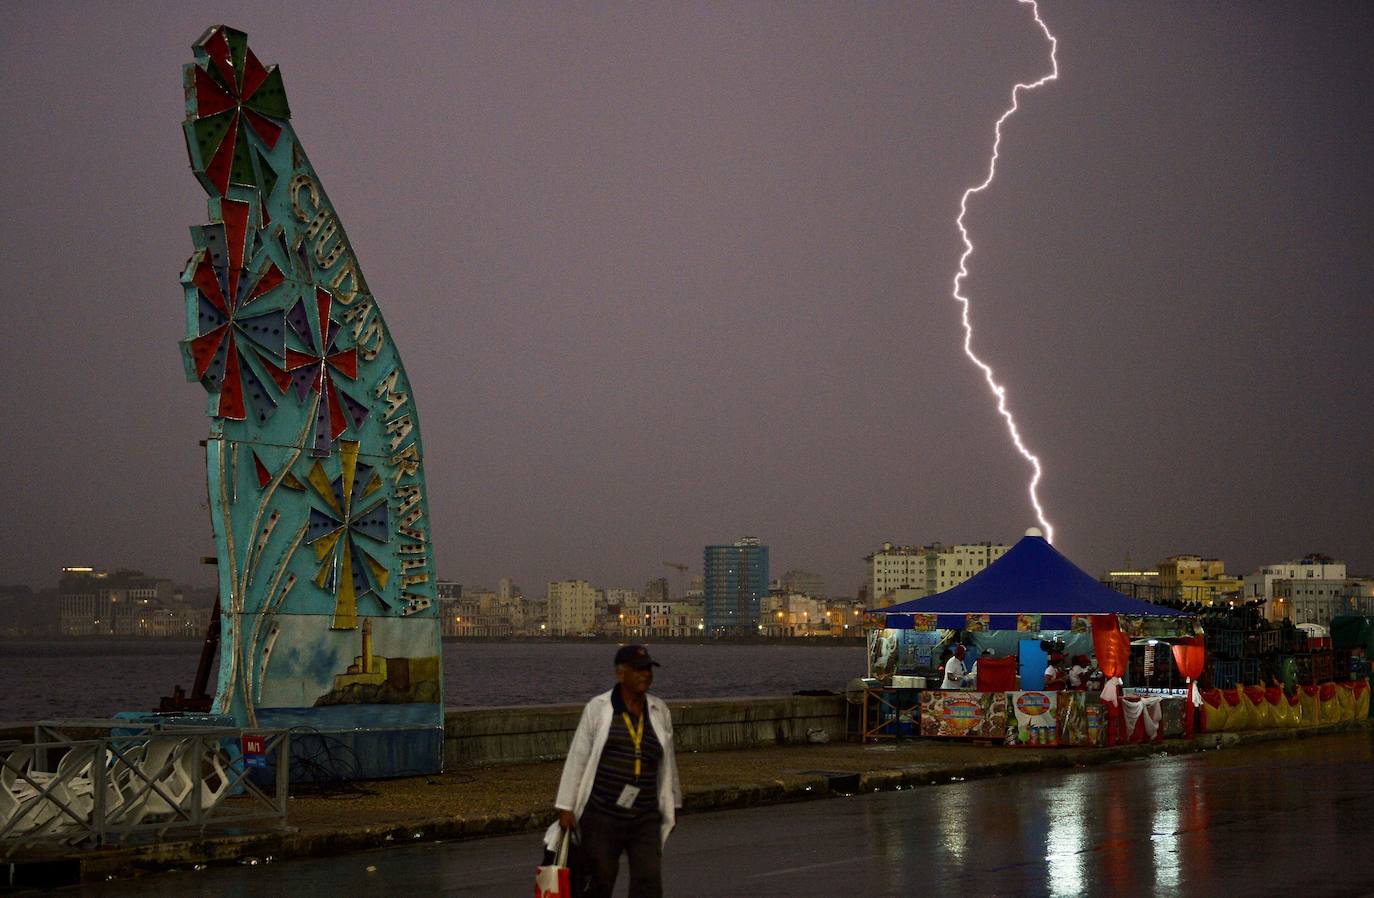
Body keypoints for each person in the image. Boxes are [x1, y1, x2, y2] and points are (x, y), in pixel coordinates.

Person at [544, 645, 682, 898]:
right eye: (639, 670)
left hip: (645, 815)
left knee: (648, 882)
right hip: (603, 815)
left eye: (649, 669)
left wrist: (674, 800)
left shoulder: (659, 710)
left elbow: (667, 759)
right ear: (621, 674)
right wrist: (566, 806)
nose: (647, 675)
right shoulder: (598, 708)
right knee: (600, 880)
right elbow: (579, 757)